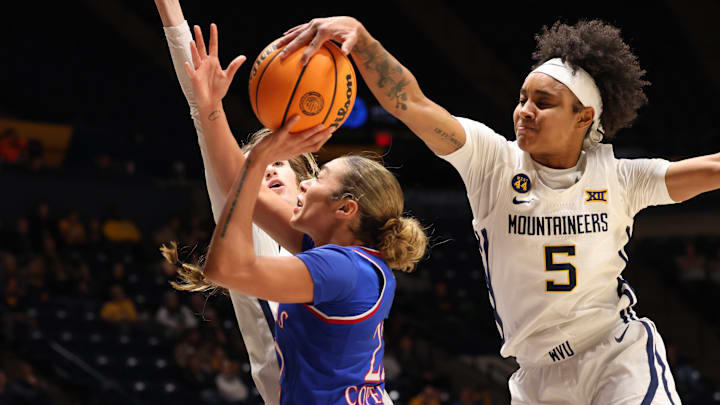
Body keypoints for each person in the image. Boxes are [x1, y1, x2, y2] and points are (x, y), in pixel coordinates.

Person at [279, 16, 720, 404]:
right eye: (523, 98)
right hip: (535, 376)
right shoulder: (492, 163)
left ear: (584, 117)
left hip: (613, 357)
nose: (524, 112)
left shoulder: (623, 178)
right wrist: (364, 39)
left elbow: (709, 169)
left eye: (542, 103)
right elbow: (412, 104)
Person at [157, 19, 427, 402]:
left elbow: (225, 268)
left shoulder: (340, 268)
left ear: (345, 209)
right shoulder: (343, 258)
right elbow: (235, 177)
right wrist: (211, 107)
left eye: (319, 179)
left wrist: (257, 160)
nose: (305, 182)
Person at [154, 2, 319, 403]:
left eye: (278, 162)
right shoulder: (248, 221)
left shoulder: (333, 241)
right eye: (256, 166)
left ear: (306, 184)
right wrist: (169, 10)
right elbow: (201, 109)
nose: (267, 170)